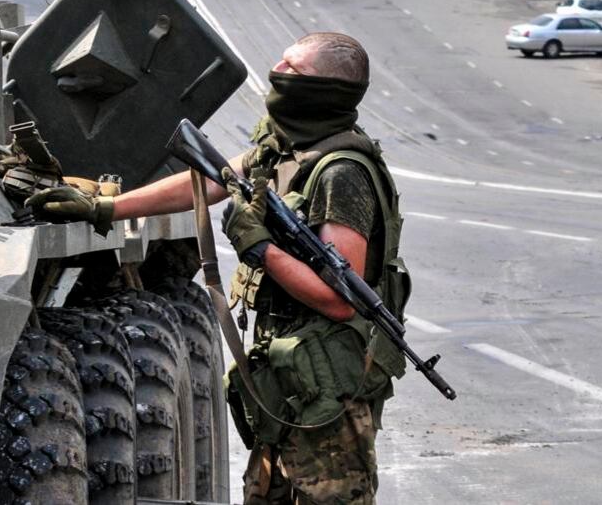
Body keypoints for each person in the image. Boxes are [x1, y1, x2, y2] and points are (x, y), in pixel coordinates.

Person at [57, 32, 406, 503]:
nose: (277, 72)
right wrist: (105, 207)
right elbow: (206, 179)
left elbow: (340, 301)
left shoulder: (341, 173)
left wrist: (260, 247)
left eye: (293, 68)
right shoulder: (285, 148)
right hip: (289, 370)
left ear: (325, 89)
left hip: (327, 386)